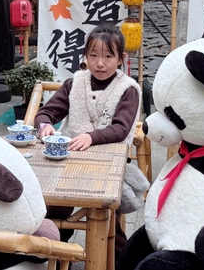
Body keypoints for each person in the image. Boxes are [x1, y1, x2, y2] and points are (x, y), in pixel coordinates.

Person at [35, 23, 143, 253]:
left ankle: (117, 267)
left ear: (121, 59)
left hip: (108, 164)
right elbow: (47, 112)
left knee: (104, 215)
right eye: (93, 55)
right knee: (54, 209)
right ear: (85, 56)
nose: (100, 63)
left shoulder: (128, 89)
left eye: (108, 56)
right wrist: (45, 125)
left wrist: (91, 137)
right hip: (71, 160)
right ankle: (54, 255)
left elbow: (121, 129)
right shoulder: (75, 83)